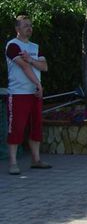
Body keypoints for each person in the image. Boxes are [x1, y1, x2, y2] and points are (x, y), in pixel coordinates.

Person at [5, 15, 51, 175]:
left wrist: (31, 59)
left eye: (30, 25)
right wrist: (38, 84)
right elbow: (23, 67)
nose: (29, 28)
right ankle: (13, 162)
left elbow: (44, 67)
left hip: (35, 95)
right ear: (17, 29)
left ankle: (36, 159)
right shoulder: (12, 45)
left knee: (36, 126)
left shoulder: (35, 47)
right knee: (16, 127)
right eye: (25, 25)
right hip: (19, 93)